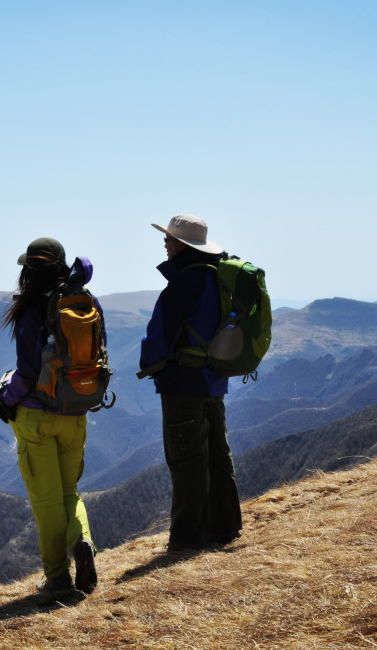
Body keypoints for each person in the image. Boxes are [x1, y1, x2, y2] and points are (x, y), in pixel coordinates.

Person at [0, 237, 99, 595]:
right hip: (76, 412)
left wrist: (5, 398)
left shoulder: (32, 310)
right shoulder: (86, 302)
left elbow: (26, 373)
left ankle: (57, 578)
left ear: (28, 272)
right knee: (70, 491)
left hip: (37, 418)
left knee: (47, 502)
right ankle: (82, 541)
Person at [139, 214, 243, 551]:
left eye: (168, 240)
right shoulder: (219, 279)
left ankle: (187, 540)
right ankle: (224, 528)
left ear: (182, 244)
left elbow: (159, 338)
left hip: (183, 383)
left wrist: (152, 367)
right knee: (217, 455)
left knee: (187, 463)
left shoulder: (184, 283)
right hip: (214, 381)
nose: (165, 245)